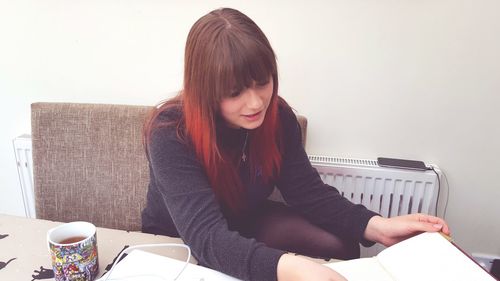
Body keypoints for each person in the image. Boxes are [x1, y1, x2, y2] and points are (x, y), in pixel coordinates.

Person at [141, 7, 450, 281]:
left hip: (246, 218)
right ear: (205, 90)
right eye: (234, 92)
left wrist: (379, 226)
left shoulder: (277, 117)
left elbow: (309, 193)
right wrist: (290, 268)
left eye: (262, 82)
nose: (255, 102)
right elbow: (205, 235)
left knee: (341, 242)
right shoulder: (171, 132)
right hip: (183, 235)